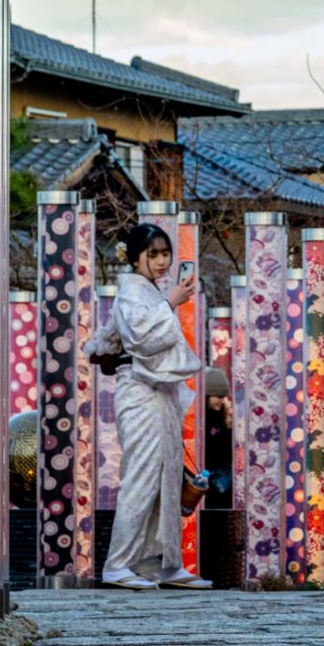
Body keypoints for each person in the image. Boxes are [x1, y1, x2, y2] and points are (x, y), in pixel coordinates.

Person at [98, 222, 212, 590]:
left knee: (167, 475)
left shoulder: (146, 291)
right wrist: (170, 303)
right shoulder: (132, 292)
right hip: (139, 391)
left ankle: (162, 563)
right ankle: (118, 563)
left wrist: (166, 302)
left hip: (157, 390)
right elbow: (141, 338)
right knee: (143, 474)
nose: (163, 261)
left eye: (166, 253)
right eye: (153, 254)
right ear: (135, 258)